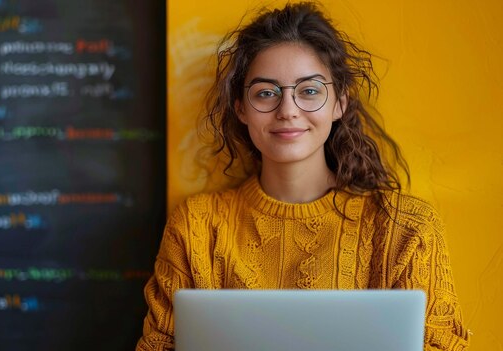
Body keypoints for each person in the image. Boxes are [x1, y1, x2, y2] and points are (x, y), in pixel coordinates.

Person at [136, 2, 470, 350]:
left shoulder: (406, 228)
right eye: (266, 93)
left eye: (309, 91)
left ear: (340, 101)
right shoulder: (197, 227)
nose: (288, 111)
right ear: (241, 108)